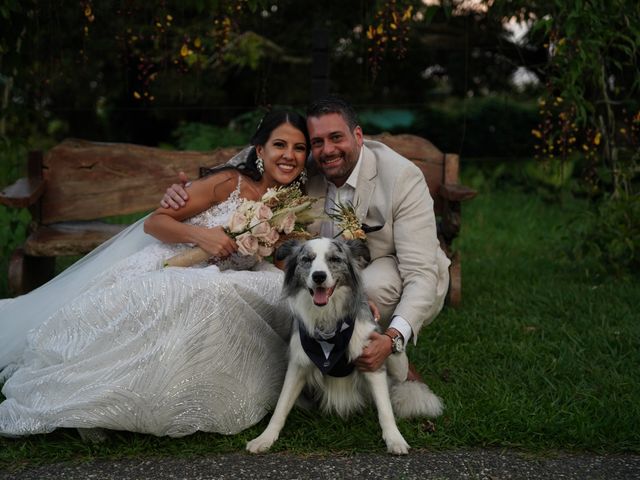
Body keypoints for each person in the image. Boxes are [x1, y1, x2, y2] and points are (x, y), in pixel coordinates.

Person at [0, 110, 310, 438]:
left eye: (299, 148)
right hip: (172, 262)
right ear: (260, 151)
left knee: (242, 291)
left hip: (218, 276)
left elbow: (280, 261)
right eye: (280, 144)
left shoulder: (290, 209)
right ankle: (103, 397)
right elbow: (155, 222)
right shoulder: (229, 183)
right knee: (179, 294)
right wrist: (203, 236)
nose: (289, 155)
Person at [162, 96, 450, 384]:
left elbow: (421, 273)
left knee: (369, 288)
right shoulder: (304, 167)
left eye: (336, 137)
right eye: (317, 142)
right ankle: (318, 369)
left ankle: (392, 365)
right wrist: (186, 193)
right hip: (322, 272)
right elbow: (254, 172)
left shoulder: (402, 177)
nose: (327, 150)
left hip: (390, 267)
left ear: (358, 135)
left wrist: (392, 338)